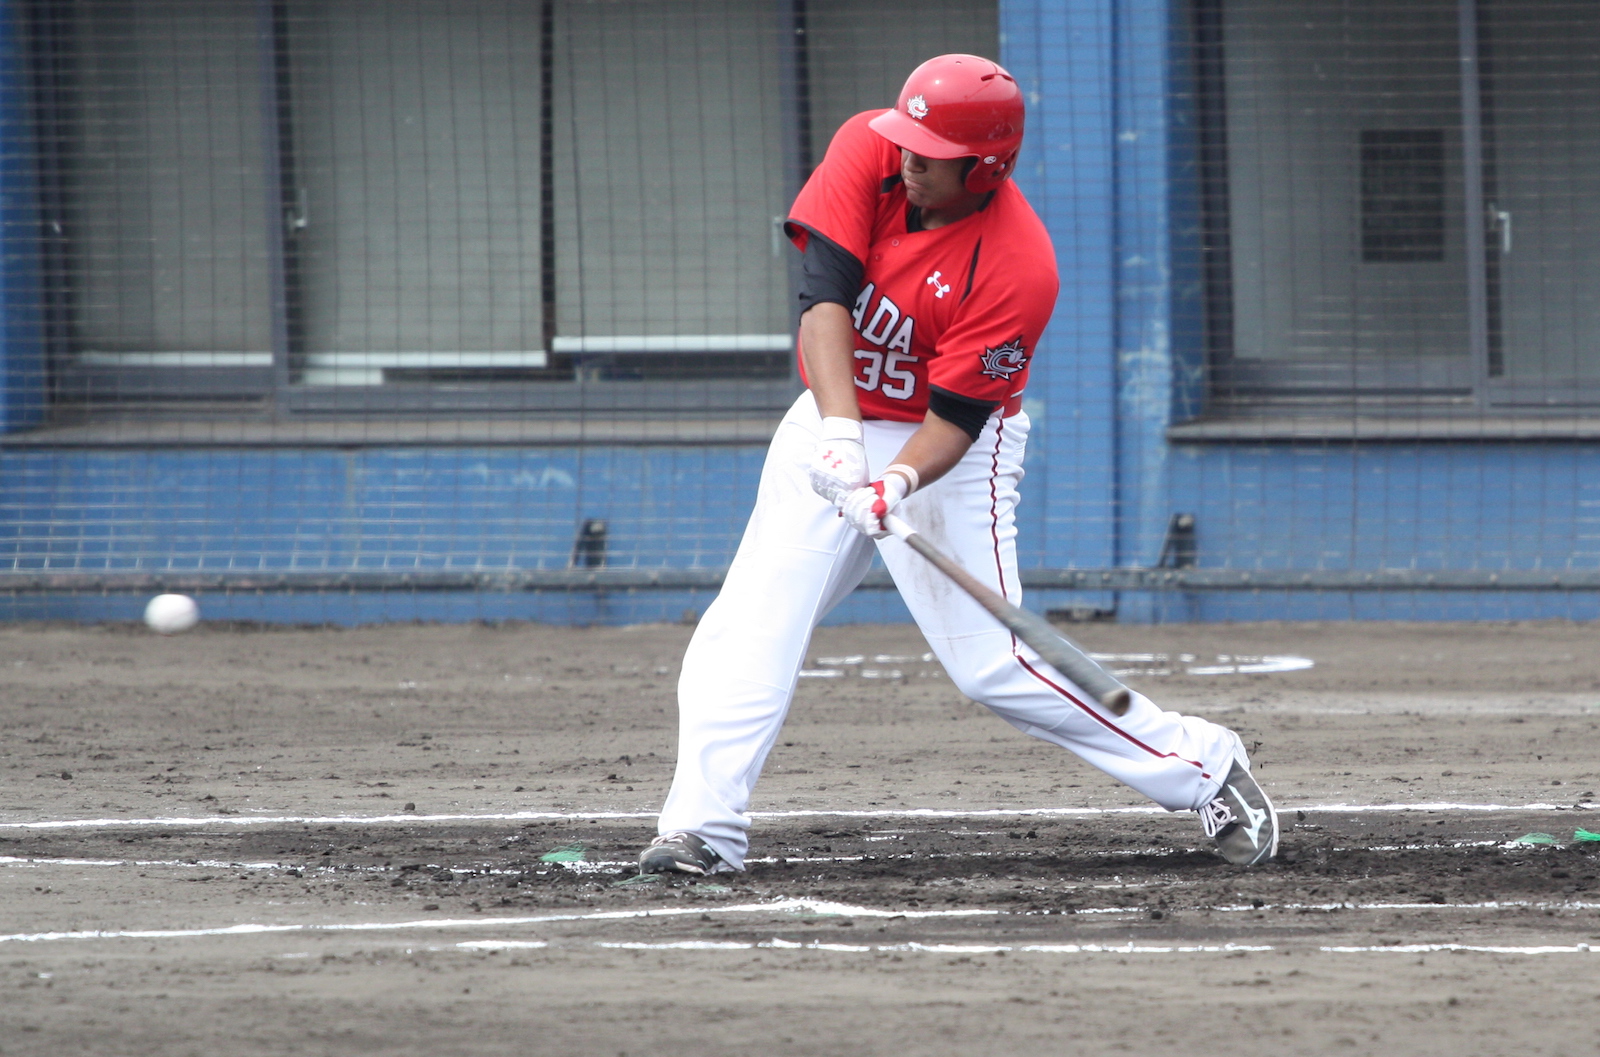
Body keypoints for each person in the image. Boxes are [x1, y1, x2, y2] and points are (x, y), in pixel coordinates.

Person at [639, 54, 1278, 875]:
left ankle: (1204, 767)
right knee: (750, 624)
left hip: (952, 449)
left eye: (930, 152)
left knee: (991, 667)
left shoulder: (1019, 267)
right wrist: (839, 432)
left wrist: (897, 479)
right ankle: (703, 830)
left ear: (987, 167)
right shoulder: (868, 148)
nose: (907, 159)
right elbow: (823, 299)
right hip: (834, 416)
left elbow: (956, 420)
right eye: (907, 142)